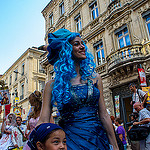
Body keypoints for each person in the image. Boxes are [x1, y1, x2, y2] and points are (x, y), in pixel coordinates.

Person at [37, 28, 118, 150]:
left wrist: (115, 145)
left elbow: (104, 115)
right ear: (66, 50)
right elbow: (43, 119)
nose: (82, 47)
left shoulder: (95, 78)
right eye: (76, 44)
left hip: (98, 139)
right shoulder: (52, 85)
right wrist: (33, 141)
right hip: (71, 142)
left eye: (82, 43)